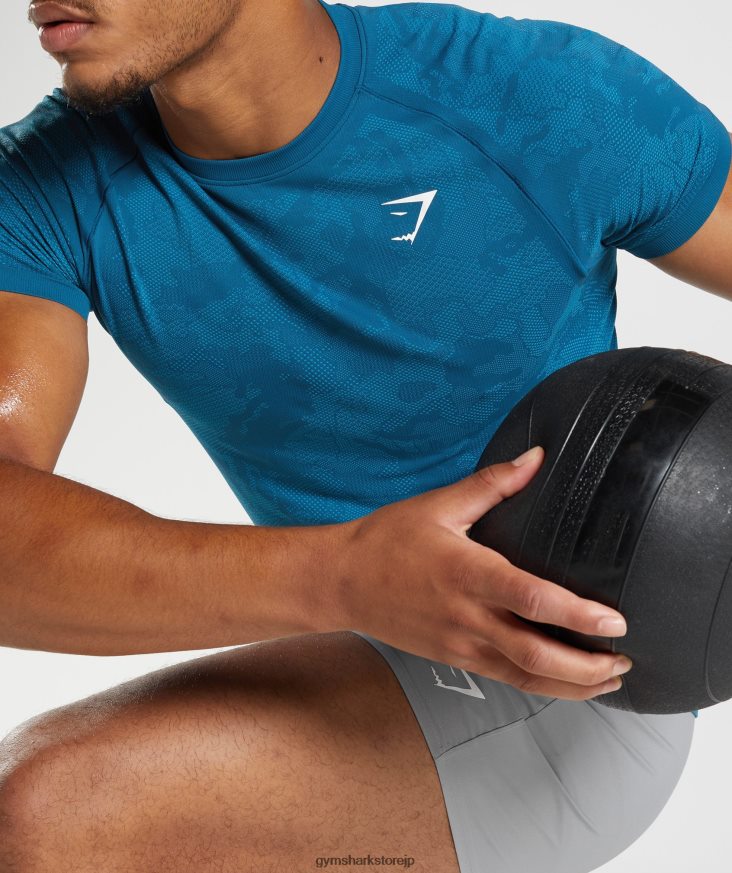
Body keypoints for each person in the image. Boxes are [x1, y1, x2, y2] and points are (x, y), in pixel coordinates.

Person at [0, 0, 729, 870]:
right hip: (355, 640)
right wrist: (343, 576)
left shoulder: (529, 96)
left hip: (567, 679)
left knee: (53, 810)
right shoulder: (40, 186)